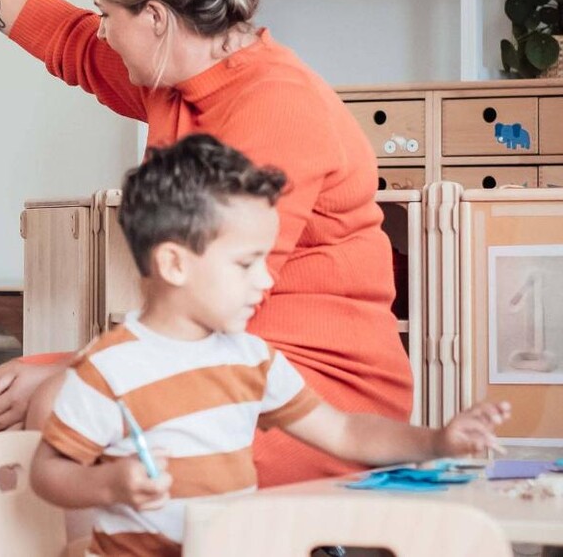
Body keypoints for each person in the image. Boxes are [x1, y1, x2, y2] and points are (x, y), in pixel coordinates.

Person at [0, 0, 412, 485]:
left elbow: (215, 307)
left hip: (309, 394)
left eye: (106, 14)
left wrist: (82, 366)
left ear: (154, 16)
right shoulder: (175, 78)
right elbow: (63, 37)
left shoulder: (275, 108)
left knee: (56, 406)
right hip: (218, 356)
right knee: (2, 393)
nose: (101, 32)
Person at [29, 134, 510, 557]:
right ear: (174, 265)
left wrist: (437, 441)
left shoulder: (250, 359)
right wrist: (107, 483)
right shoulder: (111, 367)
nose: (265, 280)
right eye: (245, 264)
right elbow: (48, 472)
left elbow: (344, 432)